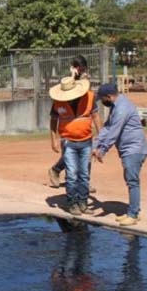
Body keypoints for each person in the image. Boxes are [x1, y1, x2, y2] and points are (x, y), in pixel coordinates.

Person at [92, 83, 147, 226]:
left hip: (134, 149)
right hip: (127, 149)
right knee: (130, 179)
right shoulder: (116, 106)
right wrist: (95, 144)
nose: (102, 102)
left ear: (109, 96)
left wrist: (103, 150)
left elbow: (114, 132)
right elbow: (107, 128)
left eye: (102, 99)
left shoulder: (122, 108)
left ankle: (133, 215)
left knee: (132, 181)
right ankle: (131, 211)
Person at [49, 75, 99, 216]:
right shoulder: (58, 101)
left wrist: (101, 139)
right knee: (71, 174)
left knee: (84, 174)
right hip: (68, 142)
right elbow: (53, 120)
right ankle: (72, 203)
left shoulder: (89, 97)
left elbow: (96, 116)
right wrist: (54, 139)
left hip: (86, 141)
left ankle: (83, 203)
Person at [48, 56, 91, 188]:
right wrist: (54, 139)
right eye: (79, 69)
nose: (81, 72)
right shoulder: (65, 86)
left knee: (85, 157)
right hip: (67, 133)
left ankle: (83, 183)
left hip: (84, 132)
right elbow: (53, 118)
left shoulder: (84, 84)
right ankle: (59, 172)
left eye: (83, 69)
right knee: (70, 158)